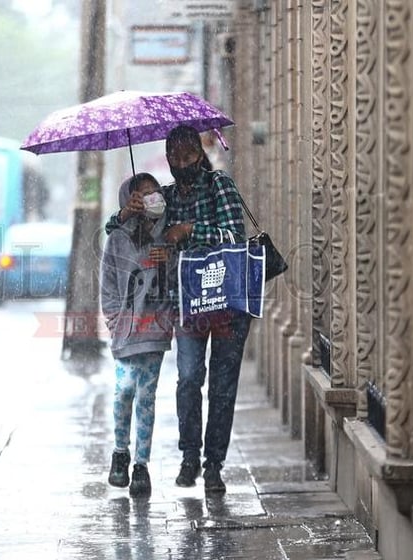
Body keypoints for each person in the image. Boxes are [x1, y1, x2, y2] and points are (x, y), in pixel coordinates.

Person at [106, 125, 252, 494]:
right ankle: (189, 457)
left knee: (222, 386)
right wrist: (127, 211)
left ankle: (214, 464)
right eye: (174, 157)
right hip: (188, 304)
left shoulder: (220, 185)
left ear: (199, 156)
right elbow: (115, 231)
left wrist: (188, 229)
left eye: (188, 156)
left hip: (229, 302)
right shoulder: (165, 198)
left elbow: (235, 235)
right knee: (188, 378)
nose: (181, 163)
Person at [100, 172, 175, 498]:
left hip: (155, 331)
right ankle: (120, 452)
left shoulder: (168, 234)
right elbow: (108, 286)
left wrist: (169, 258)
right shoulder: (117, 237)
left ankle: (141, 465)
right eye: (142, 194)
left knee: (147, 396)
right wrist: (117, 322)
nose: (151, 197)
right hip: (126, 333)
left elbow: (176, 282)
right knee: (123, 391)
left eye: (154, 191)